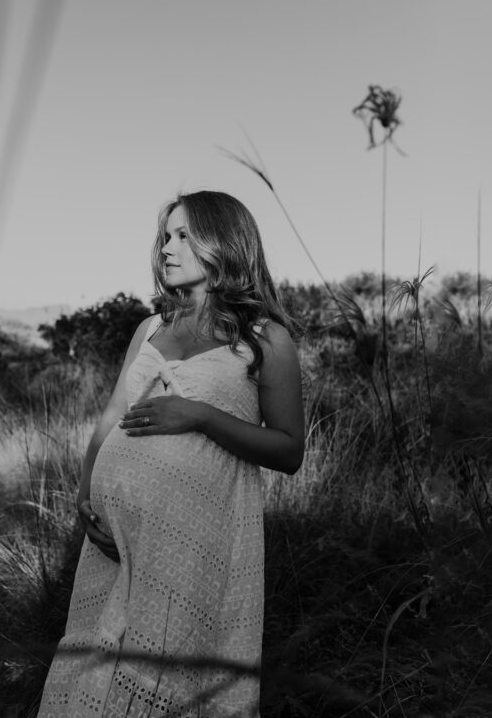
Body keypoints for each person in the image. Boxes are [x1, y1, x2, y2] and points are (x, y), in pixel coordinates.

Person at [38, 190, 305, 717]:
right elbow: (112, 416)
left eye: (184, 235)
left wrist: (201, 415)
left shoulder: (265, 339)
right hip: (112, 540)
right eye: (166, 236)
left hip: (190, 541)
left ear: (223, 242)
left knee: (167, 671)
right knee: (95, 662)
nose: (167, 247)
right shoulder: (151, 328)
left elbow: (289, 449)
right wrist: (84, 497)